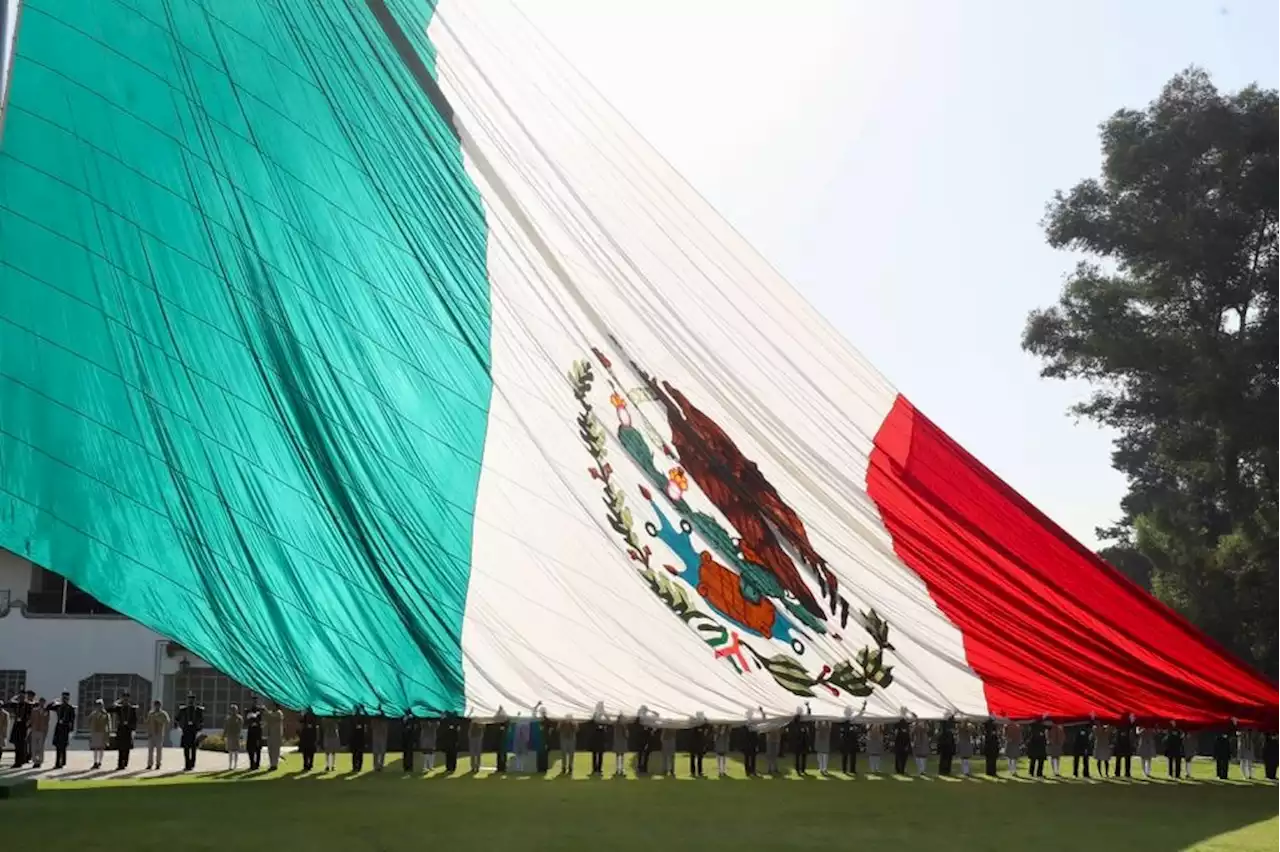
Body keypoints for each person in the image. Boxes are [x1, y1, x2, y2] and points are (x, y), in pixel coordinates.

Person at [174, 693, 204, 772]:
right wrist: (179, 727)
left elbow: (201, 721)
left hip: (194, 731)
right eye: (189, 700)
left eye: (192, 700)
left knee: (193, 749)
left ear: (194, 701)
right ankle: (187, 765)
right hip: (186, 730)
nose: (191, 701)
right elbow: (177, 719)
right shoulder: (183, 710)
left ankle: (192, 764)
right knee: (186, 749)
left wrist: (199, 730)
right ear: (187, 701)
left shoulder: (198, 710)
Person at [110, 692, 138, 771]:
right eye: (124, 698)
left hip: (128, 730)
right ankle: (120, 764)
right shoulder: (119, 708)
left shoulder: (132, 709)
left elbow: (135, 720)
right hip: (121, 730)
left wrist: (133, 730)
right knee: (120, 747)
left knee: (127, 748)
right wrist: (118, 701)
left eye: (127, 698)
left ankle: (125, 762)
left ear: (129, 699)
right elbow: (110, 709)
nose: (125, 700)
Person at [49, 691, 76, 769]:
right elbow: (49, 707)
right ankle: (58, 763)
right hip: (58, 728)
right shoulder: (58, 706)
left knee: (63, 746)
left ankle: (62, 762)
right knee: (58, 746)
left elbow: (72, 720)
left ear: (68, 699)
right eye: (63, 698)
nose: (64, 700)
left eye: (66, 698)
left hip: (65, 728)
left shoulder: (70, 708)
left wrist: (71, 730)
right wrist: (54, 701)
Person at [7, 689, 34, 766]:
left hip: (23, 726)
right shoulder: (16, 704)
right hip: (16, 725)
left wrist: (28, 724)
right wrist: (15, 697)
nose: (21, 697)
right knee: (16, 744)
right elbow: (10, 702)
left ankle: (20, 761)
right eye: (20, 696)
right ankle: (17, 761)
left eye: (23, 696)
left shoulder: (28, 705)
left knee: (21, 744)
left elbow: (31, 716)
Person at [144, 699, 169, 771]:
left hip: (159, 734)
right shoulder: (151, 713)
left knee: (159, 749)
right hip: (152, 734)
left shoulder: (163, 713)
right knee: (150, 750)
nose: (157, 706)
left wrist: (158, 718)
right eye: (155, 705)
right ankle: (149, 764)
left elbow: (167, 721)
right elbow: (147, 723)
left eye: (158, 705)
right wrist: (148, 731)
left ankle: (158, 764)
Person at [87, 698, 111, 769]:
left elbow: (109, 724)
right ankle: (95, 762)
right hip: (95, 732)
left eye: (100, 705)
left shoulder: (106, 714)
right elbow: (89, 720)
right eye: (97, 705)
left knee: (101, 748)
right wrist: (91, 728)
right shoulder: (93, 714)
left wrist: (108, 732)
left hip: (103, 732)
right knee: (95, 748)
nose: (99, 706)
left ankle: (100, 762)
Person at [243, 698, 264, 771]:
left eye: (255, 702)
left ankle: (257, 765)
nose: (254, 703)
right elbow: (246, 723)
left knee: (258, 749)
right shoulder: (248, 711)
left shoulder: (260, 711)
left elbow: (261, 721)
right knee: (250, 748)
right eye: (253, 702)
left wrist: (255, 719)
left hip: (258, 732)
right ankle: (252, 764)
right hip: (251, 732)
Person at [28, 697, 49, 768]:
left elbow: (47, 722)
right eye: (41, 702)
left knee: (40, 747)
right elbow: (31, 719)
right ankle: (35, 761)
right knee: (34, 746)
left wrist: (46, 731)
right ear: (39, 702)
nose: (42, 703)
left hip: (42, 731)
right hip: (34, 730)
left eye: (43, 702)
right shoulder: (34, 710)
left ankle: (39, 761)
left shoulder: (46, 711)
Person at [349, 705, 369, 772]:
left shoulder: (354, 717)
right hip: (358, 738)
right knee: (358, 753)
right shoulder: (358, 717)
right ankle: (357, 767)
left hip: (357, 738)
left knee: (356, 753)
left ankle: (356, 767)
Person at [299, 707, 320, 772]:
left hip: (307, 736)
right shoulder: (313, 716)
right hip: (309, 736)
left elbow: (301, 721)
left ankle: (307, 765)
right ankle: (309, 764)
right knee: (310, 752)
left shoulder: (310, 716)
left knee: (307, 752)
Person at [1114, 713, 1135, 778]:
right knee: (1123, 759)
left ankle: (1122, 773)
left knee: (1122, 759)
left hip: (1123, 743)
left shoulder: (1123, 725)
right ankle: (1125, 773)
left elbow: (1132, 726)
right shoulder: (1122, 725)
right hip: (1123, 743)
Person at [265, 702, 285, 771]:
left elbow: (272, 717)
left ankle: (274, 765)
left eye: (273, 706)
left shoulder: (279, 713)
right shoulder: (271, 713)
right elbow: (267, 718)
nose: (272, 707)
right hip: (270, 734)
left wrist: (266, 711)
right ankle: (271, 764)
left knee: (275, 750)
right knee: (270, 750)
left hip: (276, 735)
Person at [224, 704, 244, 770]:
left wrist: (240, 736)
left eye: (235, 710)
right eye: (232, 710)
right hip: (230, 736)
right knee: (230, 751)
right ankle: (230, 765)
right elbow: (226, 727)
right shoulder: (228, 718)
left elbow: (241, 728)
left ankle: (235, 764)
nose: (234, 711)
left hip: (236, 736)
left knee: (236, 751)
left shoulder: (239, 718)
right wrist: (224, 735)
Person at [398, 709, 417, 774]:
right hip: (405, 737)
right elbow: (401, 727)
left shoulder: (412, 718)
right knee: (406, 752)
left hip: (410, 737)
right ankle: (406, 766)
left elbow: (414, 727)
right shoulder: (403, 718)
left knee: (410, 752)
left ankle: (410, 767)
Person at [590, 712, 608, 776]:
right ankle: (596, 769)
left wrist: (605, 715)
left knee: (598, 756)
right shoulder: (595, 723)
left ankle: (598, 769)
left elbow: (608, 721)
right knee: (596, 756)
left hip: (600, 740)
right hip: (596, 740)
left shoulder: (603, 723)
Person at [0, 702, 8, 767]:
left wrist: (4, 734)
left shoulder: (5, 714)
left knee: (0, 747)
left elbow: (6, 724)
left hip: (1, 733)